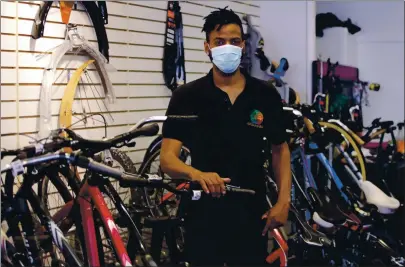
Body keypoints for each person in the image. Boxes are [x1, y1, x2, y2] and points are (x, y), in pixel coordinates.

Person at [160, 7, 291, 266]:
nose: (227, 47)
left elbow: (280, 149)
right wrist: (197, 174)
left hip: (252, 212)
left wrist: (283, 201)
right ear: (207, 47)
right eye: (219, 42)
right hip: (202, 214)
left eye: (234, 41)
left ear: (243, 45)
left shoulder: (264, 95)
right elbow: (167, 160)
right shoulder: (187, 97)